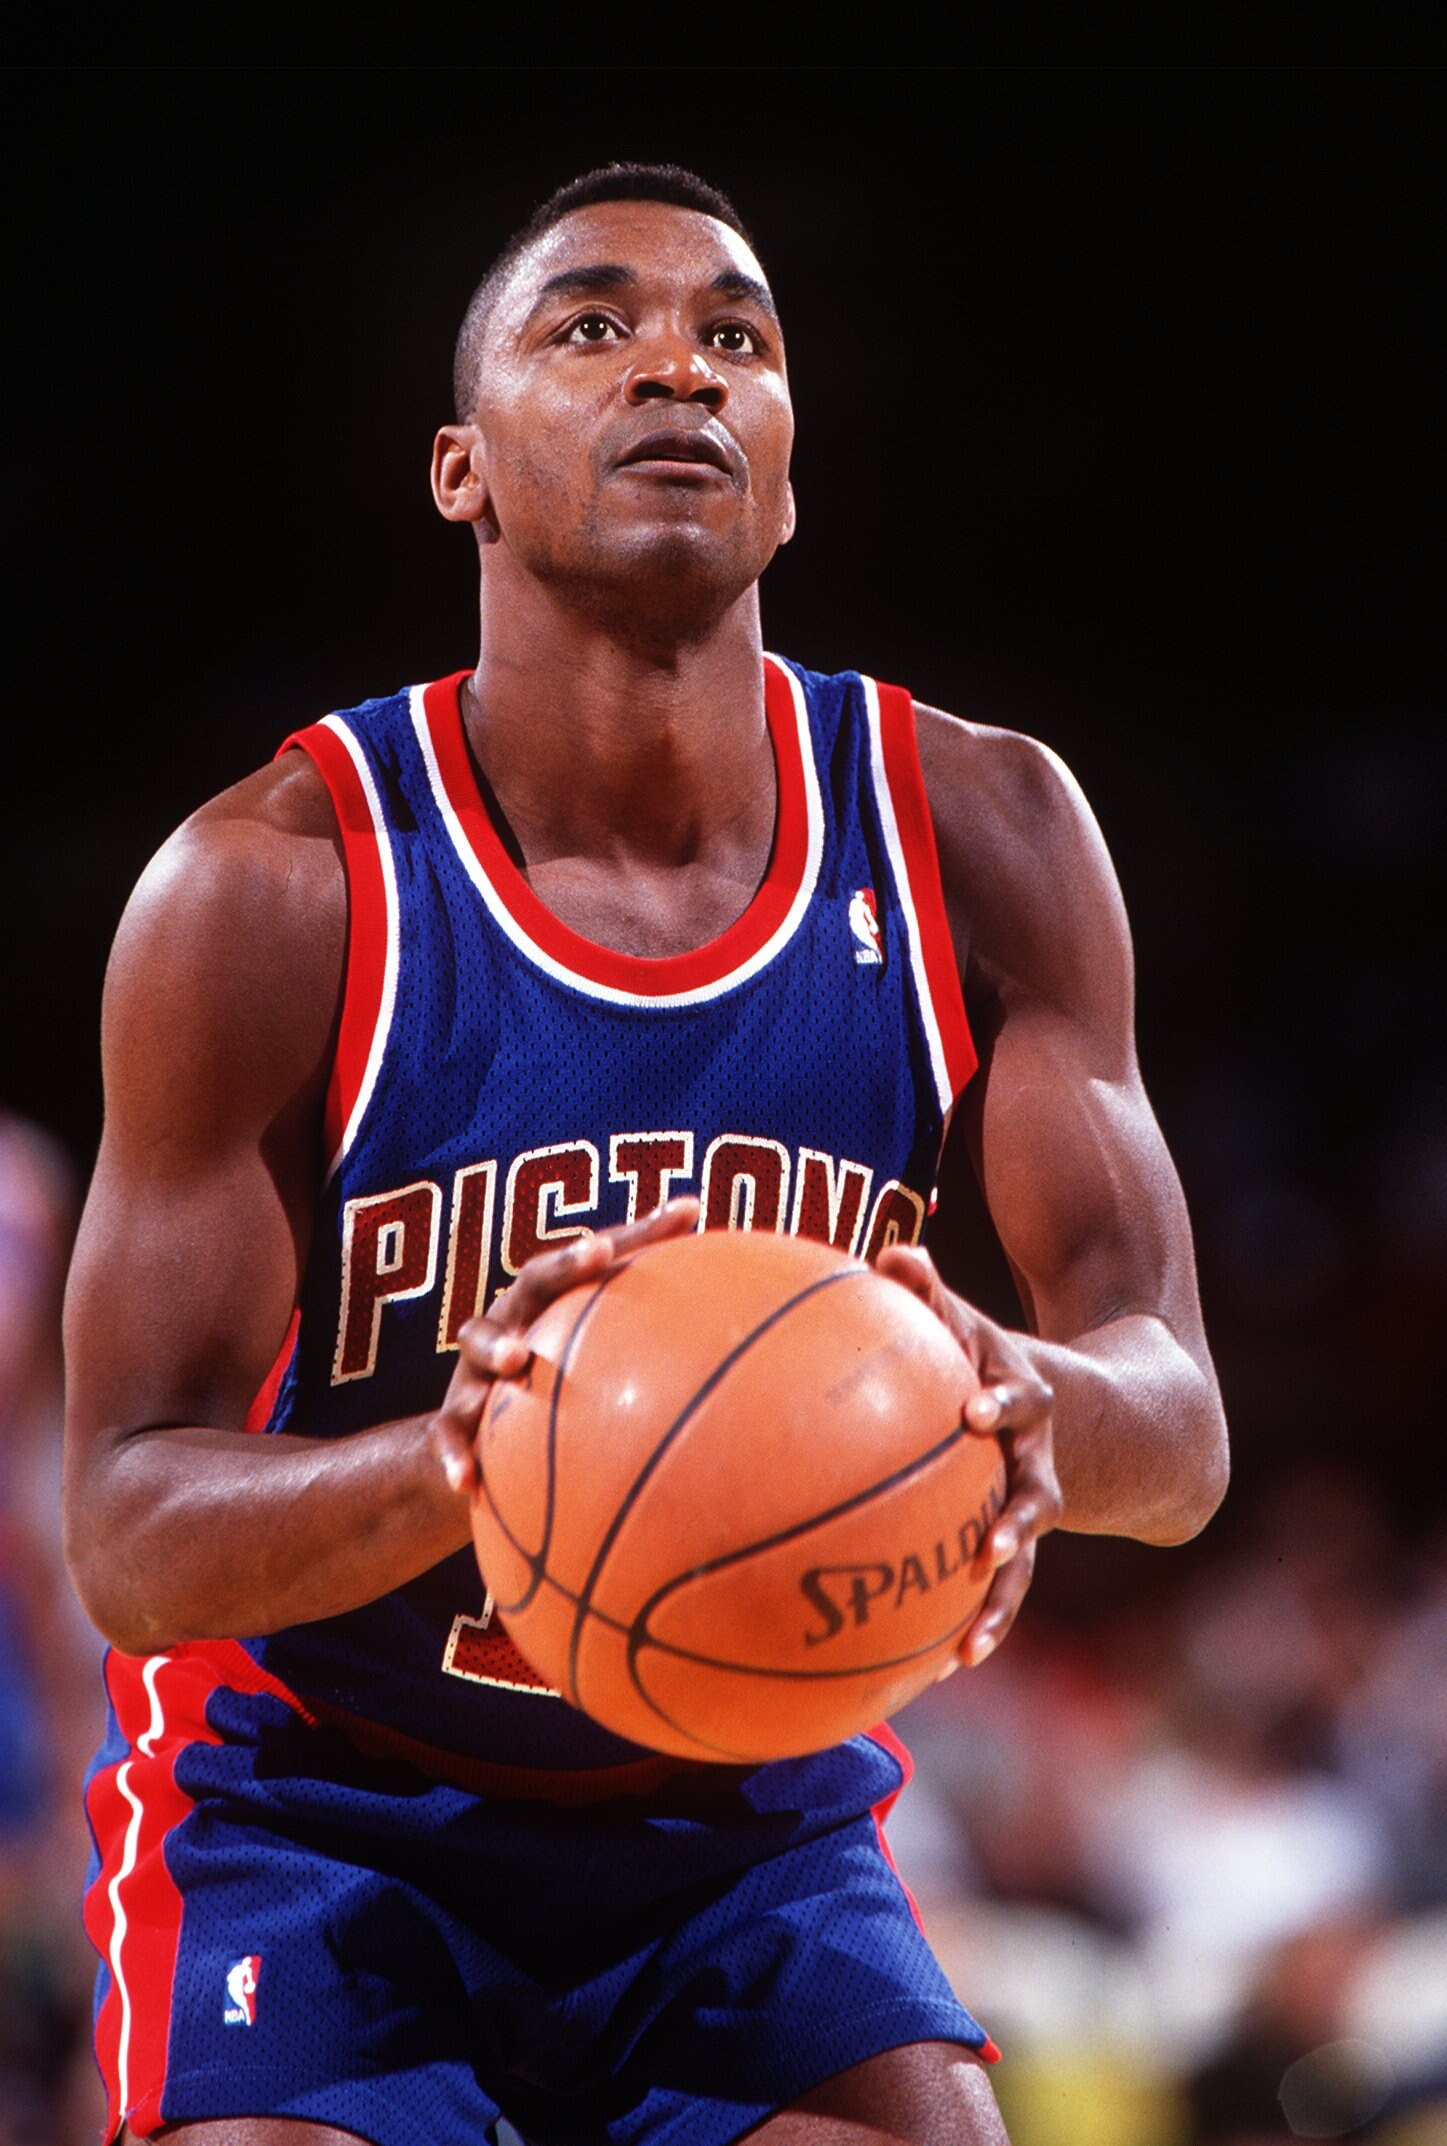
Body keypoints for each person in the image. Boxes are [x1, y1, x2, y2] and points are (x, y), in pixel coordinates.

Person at [62, 163, 1229, 2146]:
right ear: (460, 470)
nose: (677, 366)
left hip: (742, 1802)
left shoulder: (986, 832)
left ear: (786, 482)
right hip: (319, 1792)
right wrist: (476, 1461)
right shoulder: (270, 887)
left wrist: (1014, 1394)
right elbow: (126, 1530)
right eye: (591, 325)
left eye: (735, 336)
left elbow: (1178, 1429)